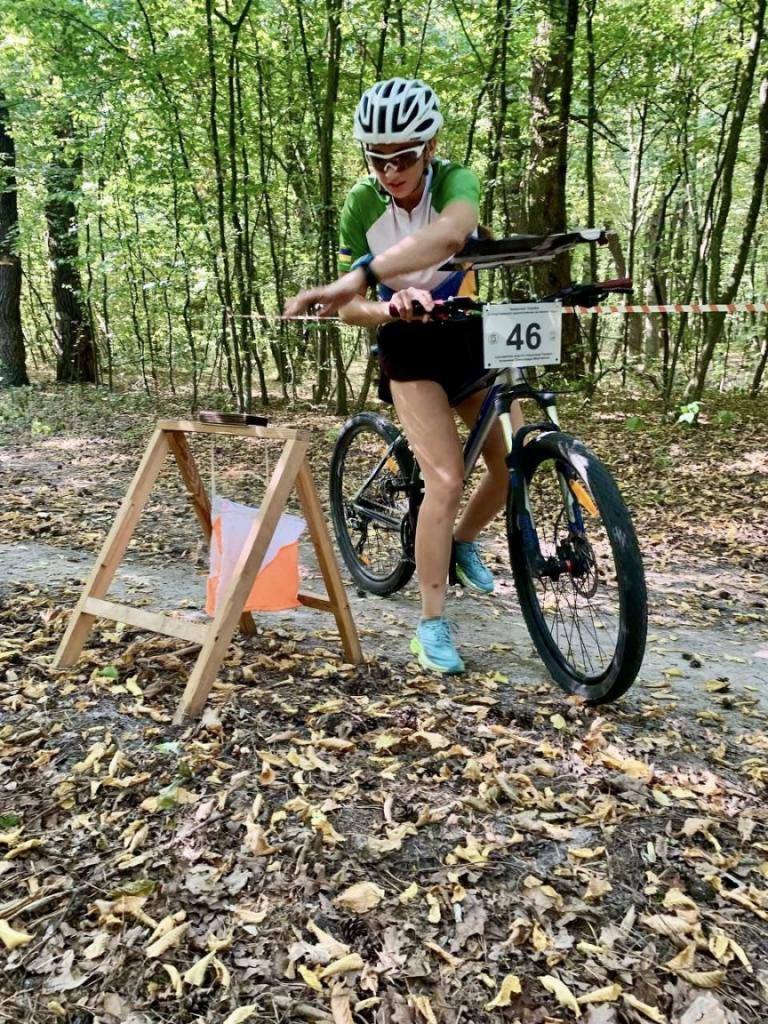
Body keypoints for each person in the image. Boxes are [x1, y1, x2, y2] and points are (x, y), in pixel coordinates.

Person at [285, 78, 513, 675]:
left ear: (429, 148)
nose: (390, 171)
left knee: (510, 465)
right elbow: (348, 311)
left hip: (467, 337)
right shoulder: (362, 203)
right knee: (445, 479)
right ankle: (431, 623)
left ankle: (461, 540)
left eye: (404, 157)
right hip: (408, 349)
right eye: (377, 159)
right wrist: (386, 305)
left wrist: (360, 275)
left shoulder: (456, 180)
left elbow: (451, 234)